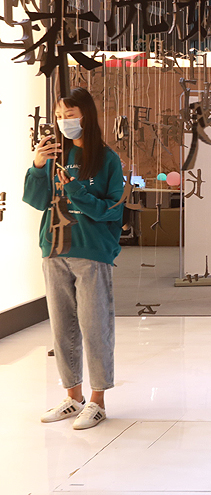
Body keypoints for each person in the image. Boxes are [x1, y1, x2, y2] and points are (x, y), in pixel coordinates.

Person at [25, 88, 125, 430]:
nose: (64, 121)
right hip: (55, 249)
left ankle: (97, 401)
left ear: (86, 116)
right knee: (62, 327)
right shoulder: (55, 155)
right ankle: (73, 397)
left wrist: (76, 191)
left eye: (70, 115)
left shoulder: (107, 159)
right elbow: (36, 201)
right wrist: (38, 166)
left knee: (95, 326)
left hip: (92, 251)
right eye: (59, 116)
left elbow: (112, 210)